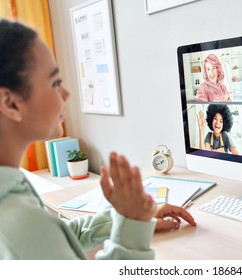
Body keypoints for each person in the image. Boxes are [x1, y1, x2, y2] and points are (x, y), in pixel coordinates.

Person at [0, 19, 195, 260]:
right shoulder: (19, 223)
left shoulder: (14, 201)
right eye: (55, 83)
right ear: (10, 103)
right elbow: (37, 238)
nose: (66, 94)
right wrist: (132, 225)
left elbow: (56, 242)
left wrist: (130, 218)